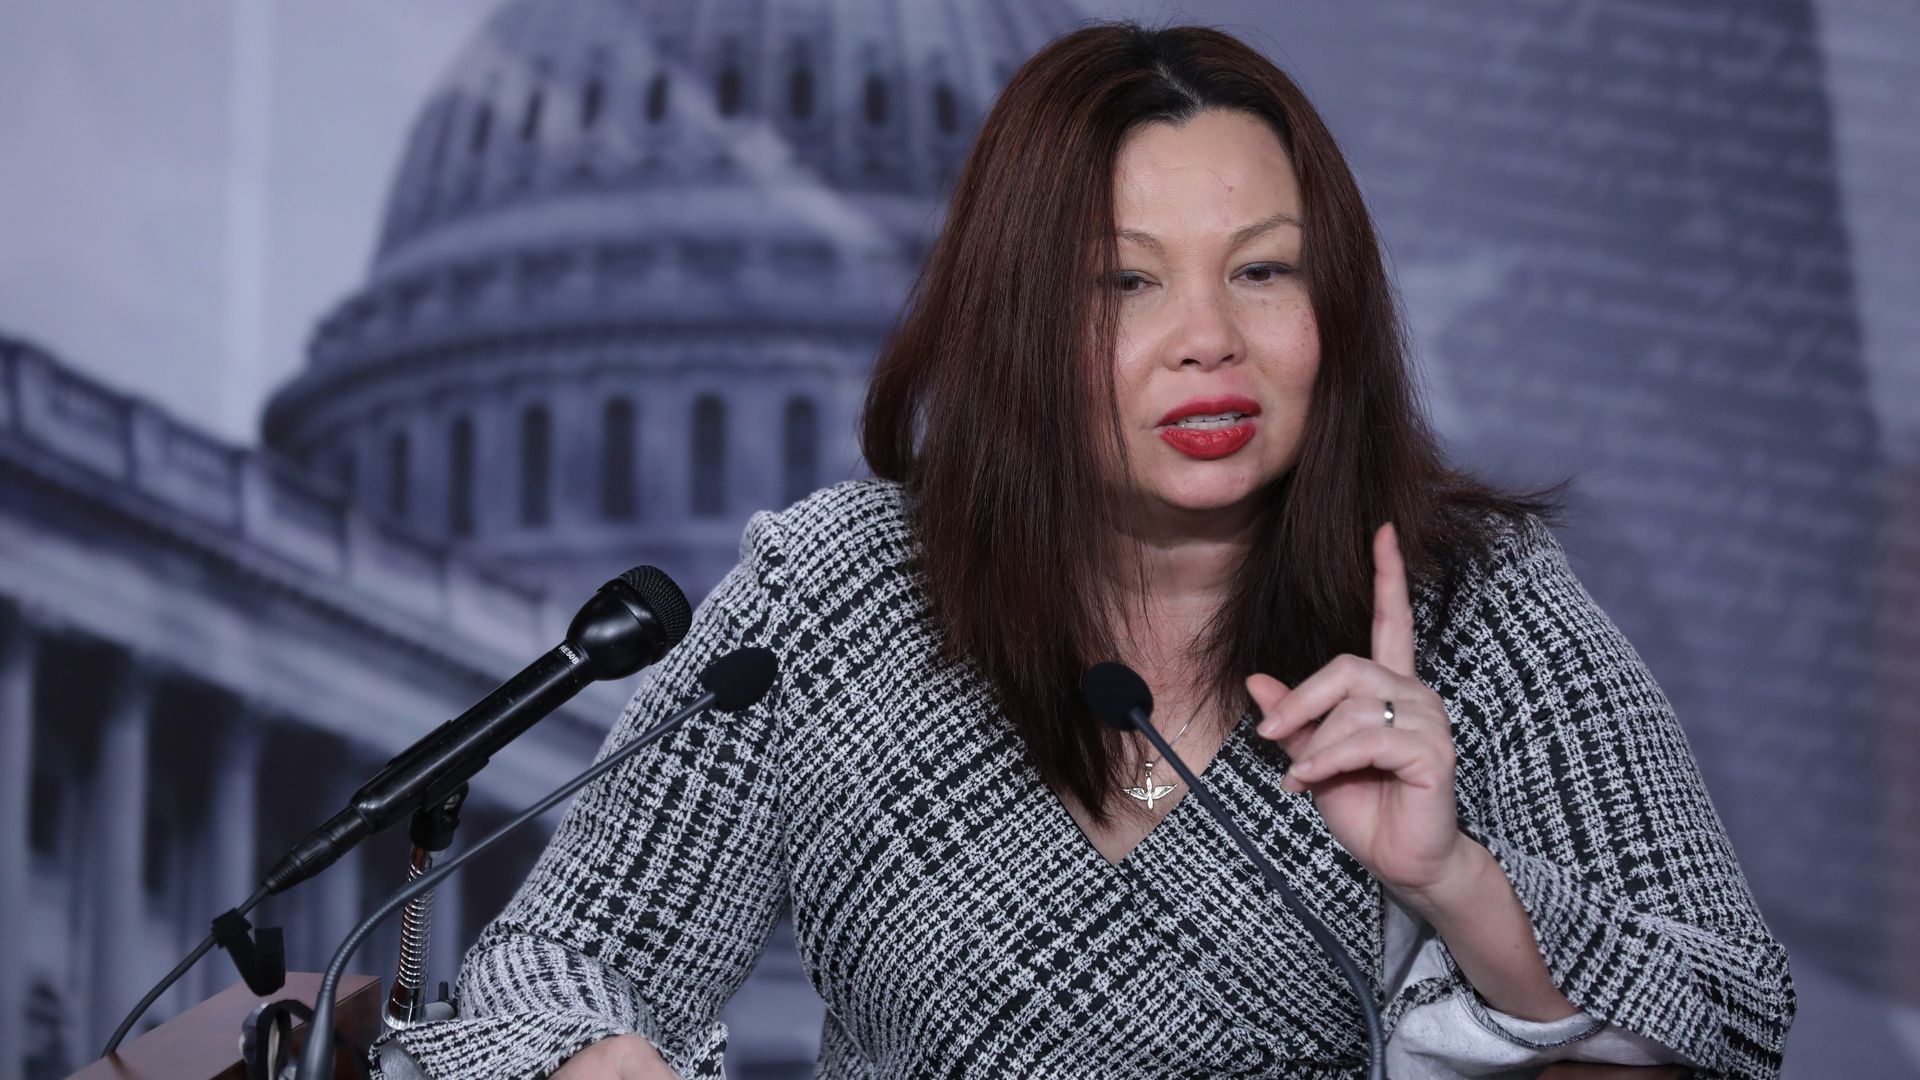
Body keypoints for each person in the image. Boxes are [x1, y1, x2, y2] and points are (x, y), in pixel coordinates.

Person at [376, 22, 1794, 1080]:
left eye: (1263, 270)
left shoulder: (1472, 604)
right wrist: (595, 1058)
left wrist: (1457, 881)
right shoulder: (835, 593)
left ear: (1335, 310)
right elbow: (554, 964)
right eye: (1125, 282)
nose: (1208, 341)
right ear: (1016, 325)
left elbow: (1729, 1012)